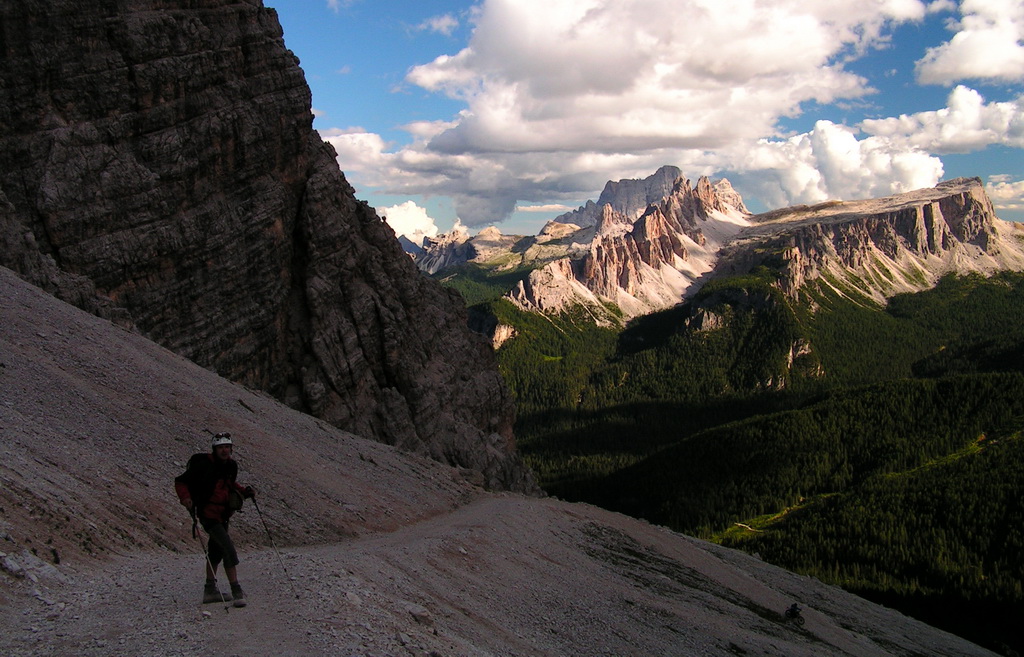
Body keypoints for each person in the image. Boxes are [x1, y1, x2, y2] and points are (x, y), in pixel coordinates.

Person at [174, 432, 254, 607]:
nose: (224, 451)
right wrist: (185, 498)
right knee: (228, 549)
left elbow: (230, 484)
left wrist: (244, 491)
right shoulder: (203, 465)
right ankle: (236, 591)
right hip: (207, 514)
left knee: (215, 551)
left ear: (231, 449)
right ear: (214, 449)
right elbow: (181, 482)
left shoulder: (231, 466)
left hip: (224, 514)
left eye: (227, 447)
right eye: (220, 447)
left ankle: (210, 591)